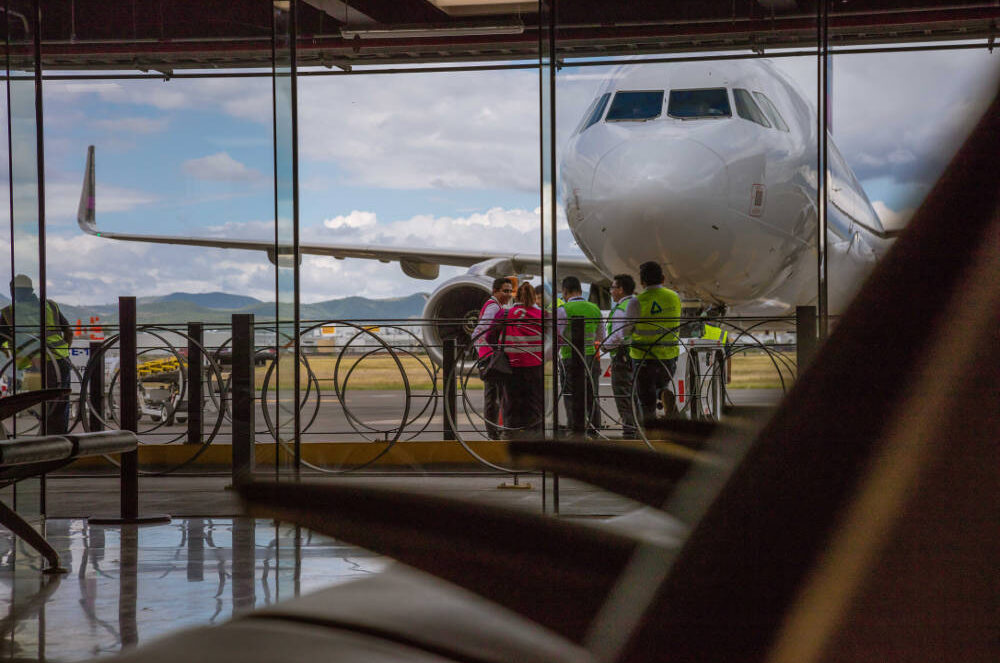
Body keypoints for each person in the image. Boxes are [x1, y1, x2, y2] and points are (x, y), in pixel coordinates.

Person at [0, 274, 74, 434]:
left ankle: (48, 440)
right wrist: (63, 351)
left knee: (39, 403)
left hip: (33, 365)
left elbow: (1, 338)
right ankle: (56, 440)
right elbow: (69, 332)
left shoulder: (8, 312)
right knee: (58, 405)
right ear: (31, 290)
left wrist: (5, 350)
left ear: (13, 291)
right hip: (59, 360)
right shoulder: (50, 306)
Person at [622, 261, 681, 428]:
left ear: (642, 282)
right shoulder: (674, 297)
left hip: (644, 357)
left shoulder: (637, 302)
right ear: (663, 278)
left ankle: (649, 434)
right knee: (660, 385)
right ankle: (663, 393)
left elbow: (625, 332)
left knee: (645, 401)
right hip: (669, 356)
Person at [556, 276, 604, 434]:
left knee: (571, 396)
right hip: (591, 358)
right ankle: (594, 430)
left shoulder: (563, 310)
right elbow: (601, 337)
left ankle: (574, 431)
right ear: (580, 290)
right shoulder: (595, 308)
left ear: (565, 291)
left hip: (570, 358)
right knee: (592, 396)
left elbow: (557, 337)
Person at [500, 282, 544, 439]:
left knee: (511, 401)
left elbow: (491, 334)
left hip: (512, 363)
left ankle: (510, 433)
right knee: (534, 401)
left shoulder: (507, 313)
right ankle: (535, 434)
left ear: (516, 296)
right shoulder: (541, 314)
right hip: (534, 363)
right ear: (534, 297)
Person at [473, 277, 514, 440]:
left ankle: (494, 431)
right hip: (490, 358)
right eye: (505, 291)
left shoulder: (495, 305)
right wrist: (488, 355)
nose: (509, 295)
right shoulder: (493, 307)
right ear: (495, 291)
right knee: (492, 396)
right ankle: (493, 433)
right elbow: (478, 333)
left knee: (494, 395)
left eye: (510, 291)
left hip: (490, 356)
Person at [605, 273, 638, 438]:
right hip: (633, 354)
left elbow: (618, 335)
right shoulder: (635, 304)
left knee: (622, 394)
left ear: (621, 289)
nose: (610, 291)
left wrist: (604, 346)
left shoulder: (621, 309)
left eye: (612, 287)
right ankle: (637, 429)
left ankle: (629, 431)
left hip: (621, 355)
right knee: (633, 393)